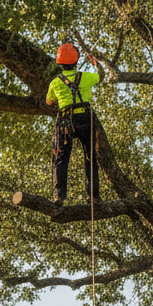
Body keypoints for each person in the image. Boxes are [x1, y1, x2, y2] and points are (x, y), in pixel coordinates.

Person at [46, 42, 101, 205]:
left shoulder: (55, 83)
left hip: (65, 120)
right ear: (76, 63)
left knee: (60, 157)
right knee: (90, 156)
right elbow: (100, 75)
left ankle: (59, 196)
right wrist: (95, 63)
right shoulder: (86, 77)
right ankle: (93, 197)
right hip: (85, 116)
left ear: (60, 64)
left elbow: (49, 101)